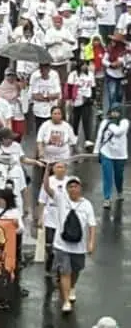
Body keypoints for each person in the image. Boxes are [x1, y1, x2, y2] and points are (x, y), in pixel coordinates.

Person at [42, 166, 96, 314]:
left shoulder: (87, 205)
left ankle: (72, 286)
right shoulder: (60, 198)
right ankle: (66, 300)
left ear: (80, 188)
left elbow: (92, 225)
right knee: (65, 271)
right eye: (70, 186)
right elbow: (47, 188)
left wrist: (91, 243)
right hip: (62, 245)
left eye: (75, 186)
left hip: (79, 246)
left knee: (76, 270)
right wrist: (47, 170)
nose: (73, 189)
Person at [93, 104, 129, 208]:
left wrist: (110, 125)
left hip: (120, 154)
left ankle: (120, 191)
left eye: (117, 111)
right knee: (107, 176)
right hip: (106, 152)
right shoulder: (104, 122)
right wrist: (96, 151)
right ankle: (107, 198)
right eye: (113, 111)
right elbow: (99, 136)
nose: (114, 113)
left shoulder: (124, 122)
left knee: (119, 176)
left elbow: (118, 132)